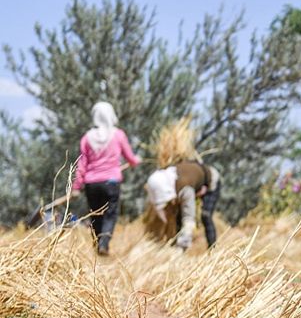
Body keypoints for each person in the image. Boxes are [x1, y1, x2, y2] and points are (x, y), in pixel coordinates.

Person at [72, 102, 141, 255]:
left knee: (95, 214)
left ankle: (97, 245)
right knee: (110, 213)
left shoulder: (86, 138)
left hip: (91, 183)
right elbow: (130, 157)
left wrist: (76, 186)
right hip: (111, 182)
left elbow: (81, 164)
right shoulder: (118, 135)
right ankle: (104, 244)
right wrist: (136, 160)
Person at [145, 160, 221, 250]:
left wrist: (180, 248)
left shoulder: (185, 188)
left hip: (210, 181)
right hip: (193, 182)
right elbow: (160, 207)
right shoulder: (160, 181)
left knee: (205, 216)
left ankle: (212, 249)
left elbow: (189, 220)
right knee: (177, 217)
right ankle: (175, 244)